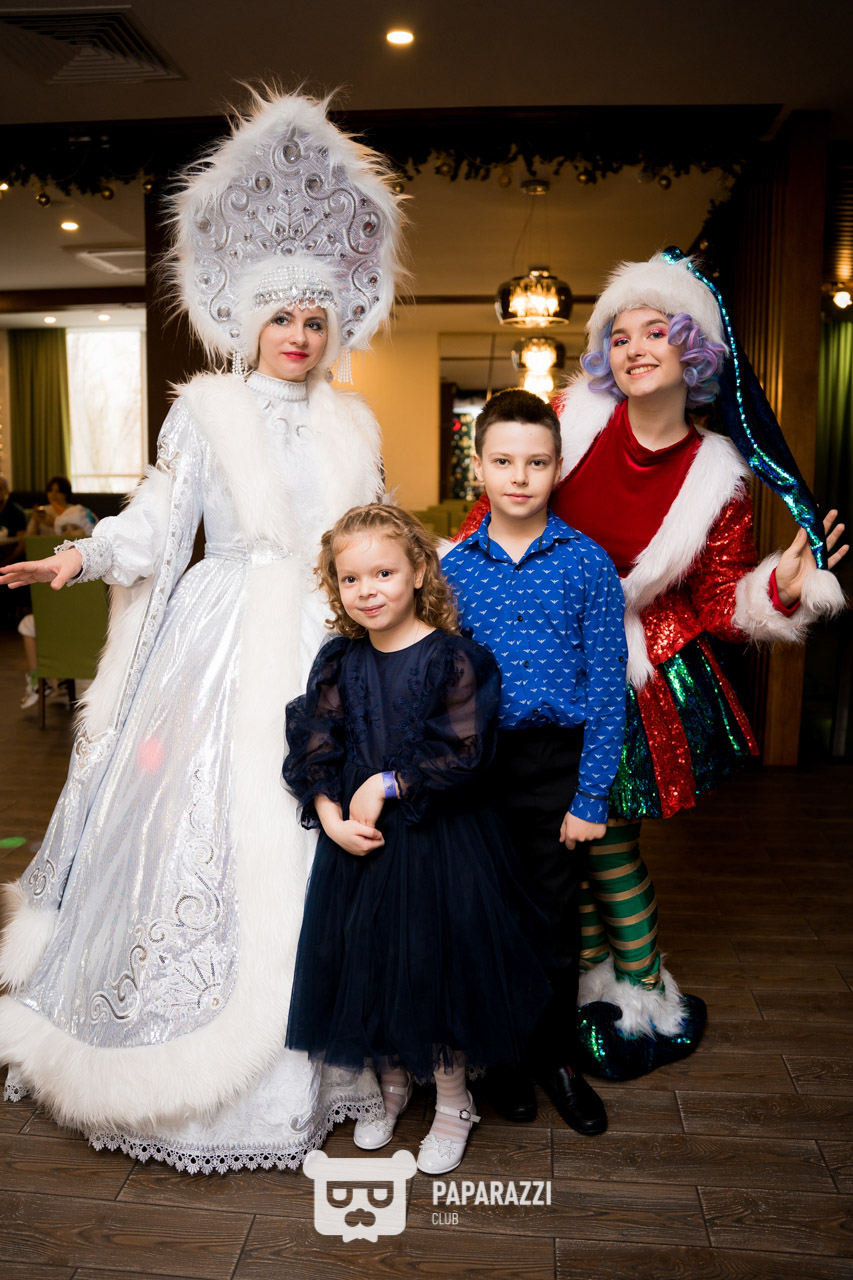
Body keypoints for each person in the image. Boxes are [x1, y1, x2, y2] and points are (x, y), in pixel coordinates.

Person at [0, 90, 406, 1172]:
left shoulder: (354, 419)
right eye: (282, 318)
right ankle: (193, 1069)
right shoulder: (205, 409)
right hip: (223, 645)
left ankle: (327, 1065)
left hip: (334, 643)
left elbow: (382, 533)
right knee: (211, 835)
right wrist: (82, 555)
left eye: (315, 319)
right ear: (248, 323)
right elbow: (158, 518)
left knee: (330, 833)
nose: (299, 336)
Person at [454, 249, 848, 1079]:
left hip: (632, 667)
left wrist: (778, 588)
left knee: (606, 840)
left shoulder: (719, 478)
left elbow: (717, 605)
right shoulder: (572, 417)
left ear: (691, 348)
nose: (632, 347)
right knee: (555, 839)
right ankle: (586, 981)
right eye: (619, 334)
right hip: (534, 650)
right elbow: (495, 513)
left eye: (654, 331)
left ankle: (642, 994)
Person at [283, 503, 552, 1174]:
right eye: (350, 579)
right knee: (370, 961)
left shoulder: (455, 658)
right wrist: (331, 814)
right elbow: (315, 741)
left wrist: (387, 783)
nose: (367, 590)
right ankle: (392, 1082)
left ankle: (455, 1101)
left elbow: (466, 751)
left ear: (419, 573)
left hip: (438, 841)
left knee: (432, 967)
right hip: (360, 843)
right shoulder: (339, 660)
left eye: (383, 573)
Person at [442, 389, 628, 1134]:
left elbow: (608, 686)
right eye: (503, 461)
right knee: (489, 917)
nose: (519, 477)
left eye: (537, 462)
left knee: (552, 919)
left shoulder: (587, 564)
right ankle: (506, 1061)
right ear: (479, 466)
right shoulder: (453, 570)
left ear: (558, 467)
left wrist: (590, 796)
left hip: (556, 764)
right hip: (479, 768)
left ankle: (555, 1059)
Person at [25, 476, 96, 539]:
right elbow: (28, 540)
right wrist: (35, 523)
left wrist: (54, 523)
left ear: (66, 494)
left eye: (58, 491)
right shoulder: (42, 511)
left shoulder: (77, 511)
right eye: (50, 491)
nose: (53, 494)